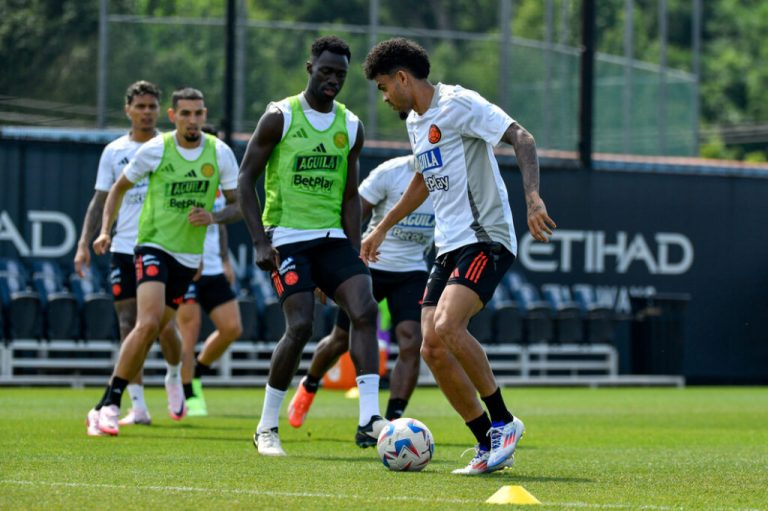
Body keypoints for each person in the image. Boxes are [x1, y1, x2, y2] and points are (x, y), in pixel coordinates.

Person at [361, 38, 557, 474]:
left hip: (486, 236)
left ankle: (505, 421)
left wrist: (532, 198)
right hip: (449, 244)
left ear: (402, 78)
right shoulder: (415, 121)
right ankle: (487, 442)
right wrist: (382, 227)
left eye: (382, 87)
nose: (384, 96)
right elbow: (421, 179)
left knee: (449, 325)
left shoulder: (459, 103)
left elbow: (522, 138)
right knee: (431, 347)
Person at [238, 35, 385, 457]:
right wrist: (260, 241)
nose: (332, 80)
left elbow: (351, 195)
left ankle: (369, 419)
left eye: (340, 74)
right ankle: (266, 427)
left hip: (332, 239)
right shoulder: (279, 116)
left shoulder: (350, 126)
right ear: (310, 67)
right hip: (287, 240)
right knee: (301, 326)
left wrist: (353, 250)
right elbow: (245, 180)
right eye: (325, 71)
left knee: (365, 308)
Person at [85, 87, 240, 437]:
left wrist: (214, 218)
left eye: (198, 113)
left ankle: (173, 375)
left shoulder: (220, 153)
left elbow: (238, 204)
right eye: (185, 113)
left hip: (187, 257)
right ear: (173, 117)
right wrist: (104, 231)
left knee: (161, 328)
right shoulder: (156, 149)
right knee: (146, 322)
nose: (193, 120)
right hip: (152, 246)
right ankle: (109, 404)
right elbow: (117, 189)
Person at [287, 155, 434, 427]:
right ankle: (309, 385)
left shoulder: (449, 178)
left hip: (412, 270)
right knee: (340, 339)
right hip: (371, 266)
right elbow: (352, 215)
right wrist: (329, 269)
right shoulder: (389, 172)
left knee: (412, 341)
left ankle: (391, 423)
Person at [75, 81, 185, 431]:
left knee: (162, 326)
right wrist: (86, 241)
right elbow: (100, 198)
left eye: (152, 106)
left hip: (164, 245)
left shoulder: (170, 146)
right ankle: (136, 405)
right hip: (125, 247)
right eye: (141, 106)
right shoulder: (114, 151)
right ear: (128, 109)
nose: (147, 112)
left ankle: (173, 374)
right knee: (131, 325)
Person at [177, 124, 243, 416]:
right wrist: (191, 256)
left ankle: (198, 372)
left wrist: (225, 259)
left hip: (215, 267)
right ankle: (188, 394)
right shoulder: (182, 176)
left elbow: (220, 222)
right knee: (189, 332)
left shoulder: (219, 180)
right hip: (186, 265)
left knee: (232, 328)